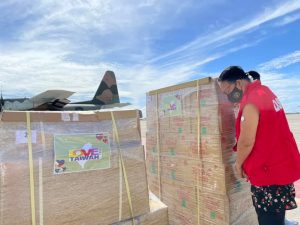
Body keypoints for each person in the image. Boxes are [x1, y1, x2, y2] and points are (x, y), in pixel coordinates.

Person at [218, 66, 300, 225]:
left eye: (227, 90)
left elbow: (246, 141)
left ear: (239, 83)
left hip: (268, 172)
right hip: (280, 166)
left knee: (268, 219)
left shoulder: (251, 101)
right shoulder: (265, 92)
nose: (228, 96)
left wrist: (239, 164)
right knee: (277, 215)